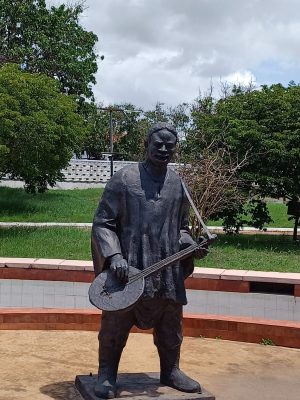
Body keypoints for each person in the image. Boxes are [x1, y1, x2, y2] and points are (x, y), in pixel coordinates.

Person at [91, 122, 208, 399]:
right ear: (146, 145)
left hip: (166, 270)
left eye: (170, 145)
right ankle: (107, 373)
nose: (164, 149)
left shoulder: (178, 184)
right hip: (129, 268)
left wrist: (190, 244)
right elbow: (102, 223)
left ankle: (171, 370)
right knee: (115, 326)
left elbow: (181, 228)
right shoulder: (124, 179)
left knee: (171, 325)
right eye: (158, 144)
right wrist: (115, 255)